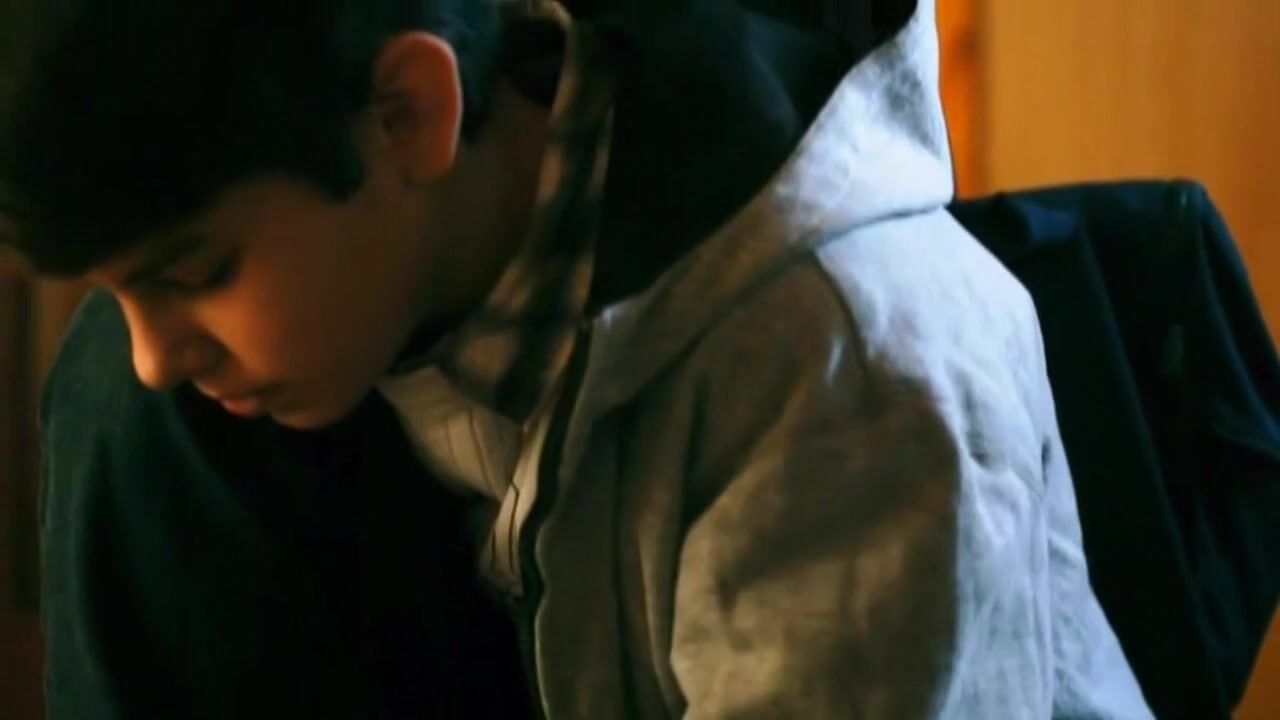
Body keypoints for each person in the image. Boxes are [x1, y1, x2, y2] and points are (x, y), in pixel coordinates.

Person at [2, 0, 1155, 717]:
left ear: (407, 116)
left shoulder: (840, 374)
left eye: (196, 271)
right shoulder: (342, 311)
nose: (155, 354)